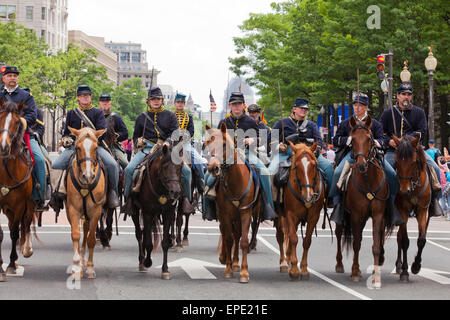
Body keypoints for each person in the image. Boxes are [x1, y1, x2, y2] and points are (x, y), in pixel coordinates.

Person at [328, 94, 402, 226]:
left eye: (360, 105)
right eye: (355, 105)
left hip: (372, 155)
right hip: (352, 155)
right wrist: (349, 140)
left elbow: (383, 140)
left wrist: (374, 142)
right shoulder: (346, 123)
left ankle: (392, 206)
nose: (357, 108)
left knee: (392, 174)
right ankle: (337, 204)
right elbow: (336, 140)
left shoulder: (376, 124)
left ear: (366, 107)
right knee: (338, 173)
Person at [204, 92, 277, 221]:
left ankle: (268, 207)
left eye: (239, 104)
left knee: (265, 173)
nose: (236, 107)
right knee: (207, 175)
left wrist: (252, 141)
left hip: (247, 153)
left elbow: (261, 139)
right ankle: (208, 209)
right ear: (229, 105)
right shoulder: (224, 121)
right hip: (227, 155)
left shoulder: (251, 121)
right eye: (234, 104)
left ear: (243, 105)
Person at [51, 85, 120, 209]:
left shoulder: (97, 112)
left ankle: (112, 193)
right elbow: (66, 132)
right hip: (75, 147)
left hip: (94, 146)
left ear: (91, 97)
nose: (85, 98)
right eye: (82, 95)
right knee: (56, 165)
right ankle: (57, 194)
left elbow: (102, 131)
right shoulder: (72, 113)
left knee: (112, 165)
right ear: (78, 98)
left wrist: (92, 138)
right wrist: (66, 139)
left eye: (87, 95)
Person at [380, 82, 443, 217]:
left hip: (414, 151)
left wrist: (407, 141)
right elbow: (380, 133)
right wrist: (389, 141)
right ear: (397, 96)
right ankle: (387, 202)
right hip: (394, 151)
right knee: (385, 170)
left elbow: (422, 131)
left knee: (435, 169)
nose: (406, 97)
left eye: (409, 94)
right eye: (403, 94)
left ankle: (435, 201)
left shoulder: (419, 112)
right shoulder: (387, 113)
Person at [123, 87, 189, 211]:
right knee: (129, 169)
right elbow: (135, 136)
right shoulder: (141, 117)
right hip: (148, 149)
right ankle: (128, 201)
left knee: (186, 172)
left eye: (158, 99)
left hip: (167, 150)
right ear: (148, 101)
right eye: (153, 99)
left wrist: (168, 142)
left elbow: (175, 134)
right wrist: (138, 141)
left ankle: (185, 201)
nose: (156, 101)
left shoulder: (170, 116)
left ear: (162, 100)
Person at [0, 66, 47, 210]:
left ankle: (39, 196)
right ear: (4, 79)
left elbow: (33, 115)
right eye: (9, 76)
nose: (12, 78)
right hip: (2, 134)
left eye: (15, 76)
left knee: (39, 159)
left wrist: (19, 122)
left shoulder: (26, 96)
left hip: (23, 134)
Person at [269, 98, 334, 196]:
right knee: (270, 171)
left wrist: (316, 149)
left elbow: (318, 140)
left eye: (305, 109)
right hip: (287, 152)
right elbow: (270, 138)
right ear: (294, 109)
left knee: (329, 168)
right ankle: (272, 202)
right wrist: (278, 145)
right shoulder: (282, 122)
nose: (304, 110)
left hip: (308, 153)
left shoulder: (311, 125)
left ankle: (330, 197)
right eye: (301, 108)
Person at [174, 93, 205, 196]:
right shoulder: (170, 116)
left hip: (185, 143)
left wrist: (184, 138)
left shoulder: (189, 117)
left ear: (184, 104)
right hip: (172, 143)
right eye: (178, 102)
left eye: (182, 102)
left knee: (199, 160)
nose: (180, 104)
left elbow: (191, 131)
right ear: (175, 103)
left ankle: (201, 182)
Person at [98, 93, 129, 169]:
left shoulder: (116, 117)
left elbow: (125, 133)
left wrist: (116, 136)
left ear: (110, 103)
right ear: (99, 103)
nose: (105, 103)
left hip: (112, 147)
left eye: (107, 101)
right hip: (96, 145)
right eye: (102, 101)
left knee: (126, 164)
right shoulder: (95, 117)